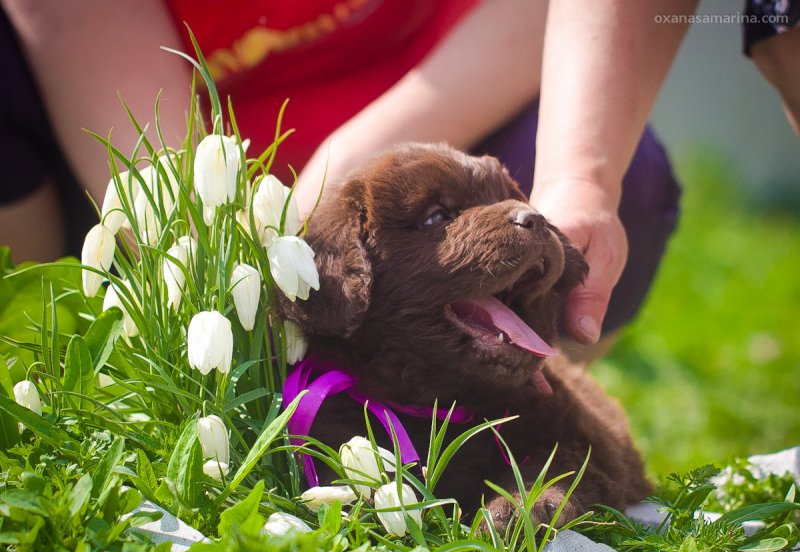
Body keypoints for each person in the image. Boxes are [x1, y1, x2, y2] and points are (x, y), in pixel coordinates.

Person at [2, 1, 794, 358]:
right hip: (166, 140)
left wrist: (356, 158)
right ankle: (46, 359)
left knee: (631, 177)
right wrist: (204, 253)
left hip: (438, 103)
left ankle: (478, 412)